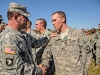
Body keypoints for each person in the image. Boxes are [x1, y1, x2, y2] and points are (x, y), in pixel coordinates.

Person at [0, 2, 52, 75]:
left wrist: (49, 37)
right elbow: (15, 69)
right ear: (16, 17)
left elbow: (36, 43)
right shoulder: (8, 38)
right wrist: (40, 70)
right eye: (25, 17)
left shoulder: (24, 35)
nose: (27, 20)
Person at [39, 11, 92, 75]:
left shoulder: (78, 34)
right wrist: (44, 65)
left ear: (63, 19)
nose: (53, 23)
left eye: (55, 20)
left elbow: (88, 52)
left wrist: (84, 71)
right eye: (52, 21)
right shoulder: (54, 38)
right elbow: (47, 53)